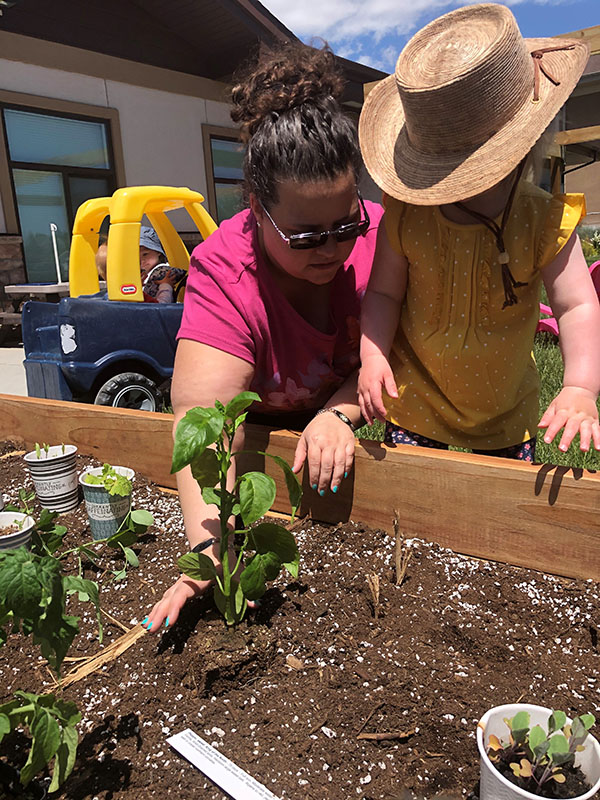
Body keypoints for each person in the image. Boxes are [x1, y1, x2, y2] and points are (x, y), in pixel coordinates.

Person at [142, 42, 383, 632]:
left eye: (345, 224)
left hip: (367, 435)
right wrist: (207, 552)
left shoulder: (383, 243)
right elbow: (204, 418)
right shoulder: (226, 269)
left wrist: (338, 411)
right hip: (270, 438)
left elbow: (406, 359)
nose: (331, 249)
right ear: (256, 209)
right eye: (306, 236)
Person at [357, 3, 600, 462]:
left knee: (498, 520)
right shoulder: (407, 214)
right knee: (411, 517)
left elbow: (577, 305)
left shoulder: (545, 220)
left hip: (505, 410)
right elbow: (384, 295)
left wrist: (580, 386)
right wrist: (372, 356)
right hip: (417, 399)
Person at [94, 226, 182, 302]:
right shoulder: (135, 298)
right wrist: (166, 285)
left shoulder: (162, 271)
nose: (141, 260)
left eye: (145, 254)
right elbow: (161, 306)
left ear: (158, 252)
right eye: (136, 256)